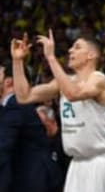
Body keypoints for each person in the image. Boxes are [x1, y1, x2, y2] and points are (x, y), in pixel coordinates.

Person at [11, 31, 105, 192]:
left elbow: (73, 94)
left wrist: (51, 58)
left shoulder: (99, 79)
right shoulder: (65, 81)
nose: (70, 51)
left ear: (91, 55)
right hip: (76, 163)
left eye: (77, 47)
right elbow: (24, 96)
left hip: (100, 162)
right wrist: (17, 61)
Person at [0, 59, 63, 192]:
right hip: (25, 177)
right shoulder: (8, 105)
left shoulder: (16, 104)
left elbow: (3, 145)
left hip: (34, 179)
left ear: (8, 81)